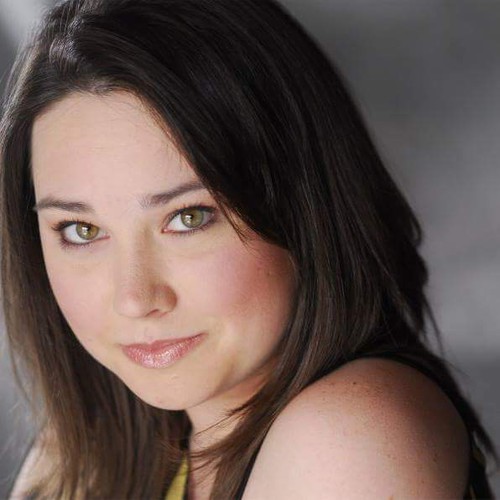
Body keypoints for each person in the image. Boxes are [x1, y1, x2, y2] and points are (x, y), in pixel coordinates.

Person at [0, 0, 496, 498]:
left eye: (188, 218)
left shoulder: (348, 438)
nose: (135, 299)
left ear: (304, 208)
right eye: (81, 230)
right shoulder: (90, 451)